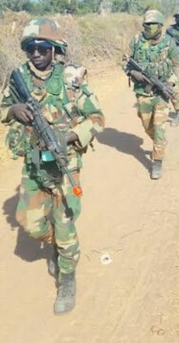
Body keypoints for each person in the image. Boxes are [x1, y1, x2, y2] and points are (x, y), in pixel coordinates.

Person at [0, 18, 104, 315]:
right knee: (31, 226)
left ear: (55, 49)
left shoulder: (72, 78)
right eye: (30, 48)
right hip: (33, 166)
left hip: (65, 162)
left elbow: (97, 118)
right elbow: (3, 110)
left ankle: (67, 276)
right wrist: (13, 111)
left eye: (42, 47)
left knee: (65, 223)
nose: (35, 53)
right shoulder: (18, 76)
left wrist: (66, 135)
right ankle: (58, 244)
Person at [124, 10, 179, 180]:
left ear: (161, 25)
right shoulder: (135, 41)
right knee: (147, 124)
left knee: (159, 128)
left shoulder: (169, 43)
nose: (149, 27)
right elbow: (124, 61)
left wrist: (169, 84)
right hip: (142, 92)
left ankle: (157, 161)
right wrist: (134, 73)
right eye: (146, 25)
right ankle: (159, 142)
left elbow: (176, 67)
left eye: (152, 24)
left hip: (161, 94)